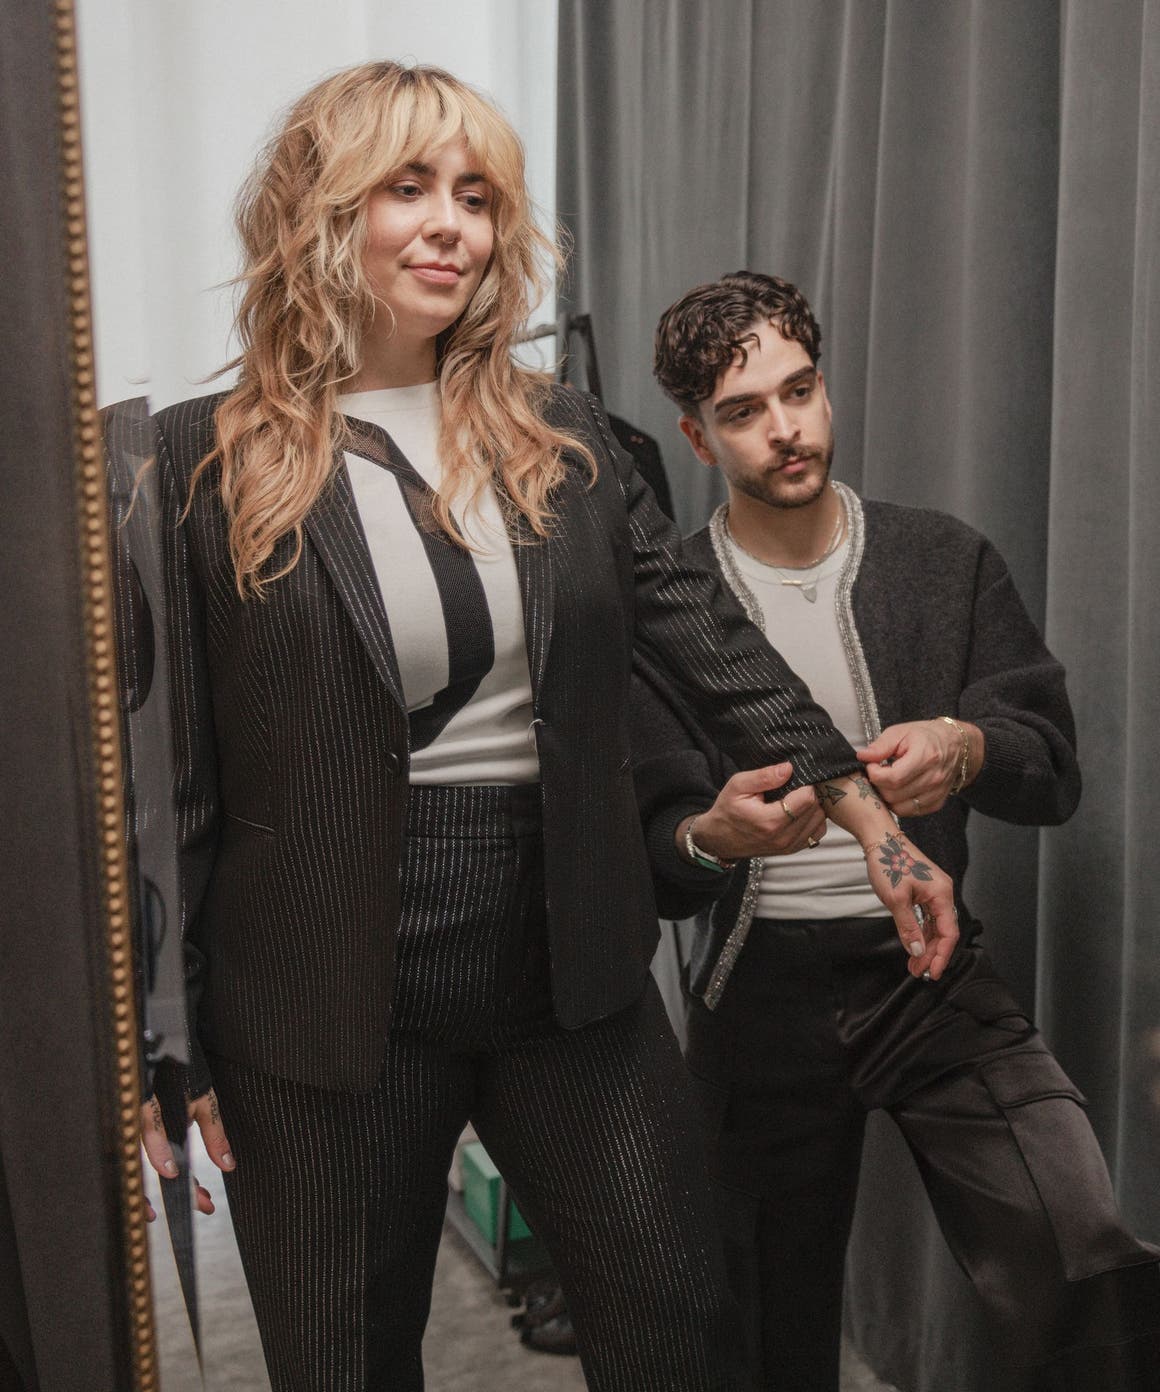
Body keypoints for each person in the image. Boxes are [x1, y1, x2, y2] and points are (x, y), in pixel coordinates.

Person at [135, 66, 960, 1392]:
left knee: (682, 1325)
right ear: (319, 210)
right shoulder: (189, 462)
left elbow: (714, 646)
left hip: (566, 967)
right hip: (321, 997)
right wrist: (159, 1034)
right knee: (343, 1356)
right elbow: (162, 786)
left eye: (474, 194)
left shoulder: (562, 437)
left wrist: (875, 826)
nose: (450, 222)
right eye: (408, 187)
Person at [636, 270, 1160, 1391]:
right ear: (693, 434)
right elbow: (651, 852)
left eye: (799, 390)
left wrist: (964, 746)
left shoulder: (941, 560)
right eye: (742, 411)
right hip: (756, 995)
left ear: (824, 388)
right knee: (762, 1325)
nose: (784, 429)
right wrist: (715, 838)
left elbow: (1051, 769)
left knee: (1074, 1241)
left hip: (925, 970)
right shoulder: (667, 599)